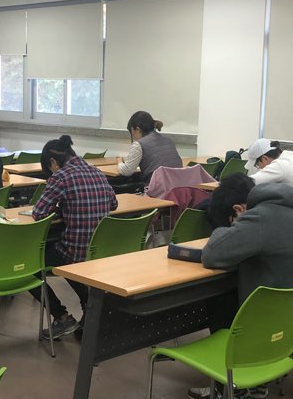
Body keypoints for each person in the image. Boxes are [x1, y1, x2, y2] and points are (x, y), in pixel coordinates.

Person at [191, 174, 293, 399]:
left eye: (233, 222)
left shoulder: (260, 217)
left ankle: (233, 391)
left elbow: (213, 255)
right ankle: (256, 384)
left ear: (238, 210)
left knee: (223, 297)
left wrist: (226, 229)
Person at [31, 135, 118, 337]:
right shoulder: (97, 172)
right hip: (98, 251)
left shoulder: (61, 176)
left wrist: (60, 209)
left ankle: (61, 317)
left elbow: (39, 213)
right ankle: (89, 306)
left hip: (74, 252)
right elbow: (114, 204)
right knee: (68, 258)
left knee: (29, 265)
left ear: (53, 162)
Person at [117, 111, 182, 182]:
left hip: (158, 187)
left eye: (132, 133)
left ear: (138, 129)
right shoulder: (168, 140)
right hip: (178, 186)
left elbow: (127, 171)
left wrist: (119, 161)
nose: (134, 137)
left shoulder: (139, 145)